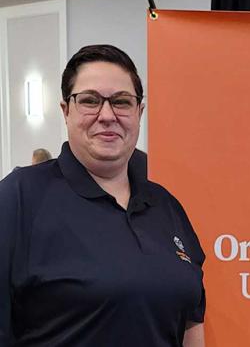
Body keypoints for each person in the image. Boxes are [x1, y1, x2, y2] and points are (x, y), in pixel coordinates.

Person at [0, 45, 205, 347]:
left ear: (139, 112)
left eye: (122, 102)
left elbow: (191, 322)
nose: (107, 115)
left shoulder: (167, 206)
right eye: (90, 101)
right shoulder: (18, 197)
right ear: (65, 110)